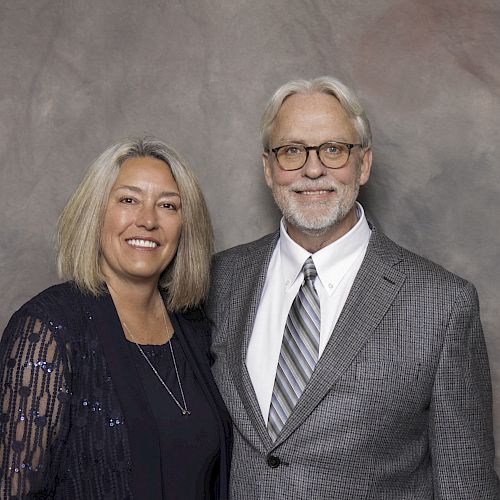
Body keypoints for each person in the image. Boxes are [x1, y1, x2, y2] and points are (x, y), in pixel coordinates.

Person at [207, 77, 499, 498]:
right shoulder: (219, 280)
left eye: (333, 149)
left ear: (363, 164)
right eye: (292, 150)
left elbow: (465, 480)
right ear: (268, 169)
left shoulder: (443, 304)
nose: (312, 169)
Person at [0, 137, 232, 499]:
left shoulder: (195, 329)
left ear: (185, 225)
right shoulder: (47, 329)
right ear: (96, 213)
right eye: (128, 200)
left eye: (168, 206)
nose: (148, 220)